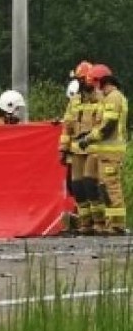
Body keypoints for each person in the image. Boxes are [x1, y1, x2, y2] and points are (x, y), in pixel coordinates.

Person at [77, 64, 128, 236]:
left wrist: (88, 139)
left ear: (102, 81)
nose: (95, 88)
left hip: (111, 152)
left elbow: (108, 126)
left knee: (111, 187)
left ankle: (117, 224)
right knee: (105, 187)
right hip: (105, 152)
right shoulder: (110, 98)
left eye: (96, 83)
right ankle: (111, 223)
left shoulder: (114, 98)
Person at [58, 61, 101, 234]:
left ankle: (99, 221)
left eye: (82, 79)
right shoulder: (74, 101)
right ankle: (86, 223)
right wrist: (63, 148)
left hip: (94, 147)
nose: (81, 82)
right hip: (76, 149)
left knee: (90, 182)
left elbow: (104, 124)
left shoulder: (101, 99)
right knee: (77, 185)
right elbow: (67, 126)